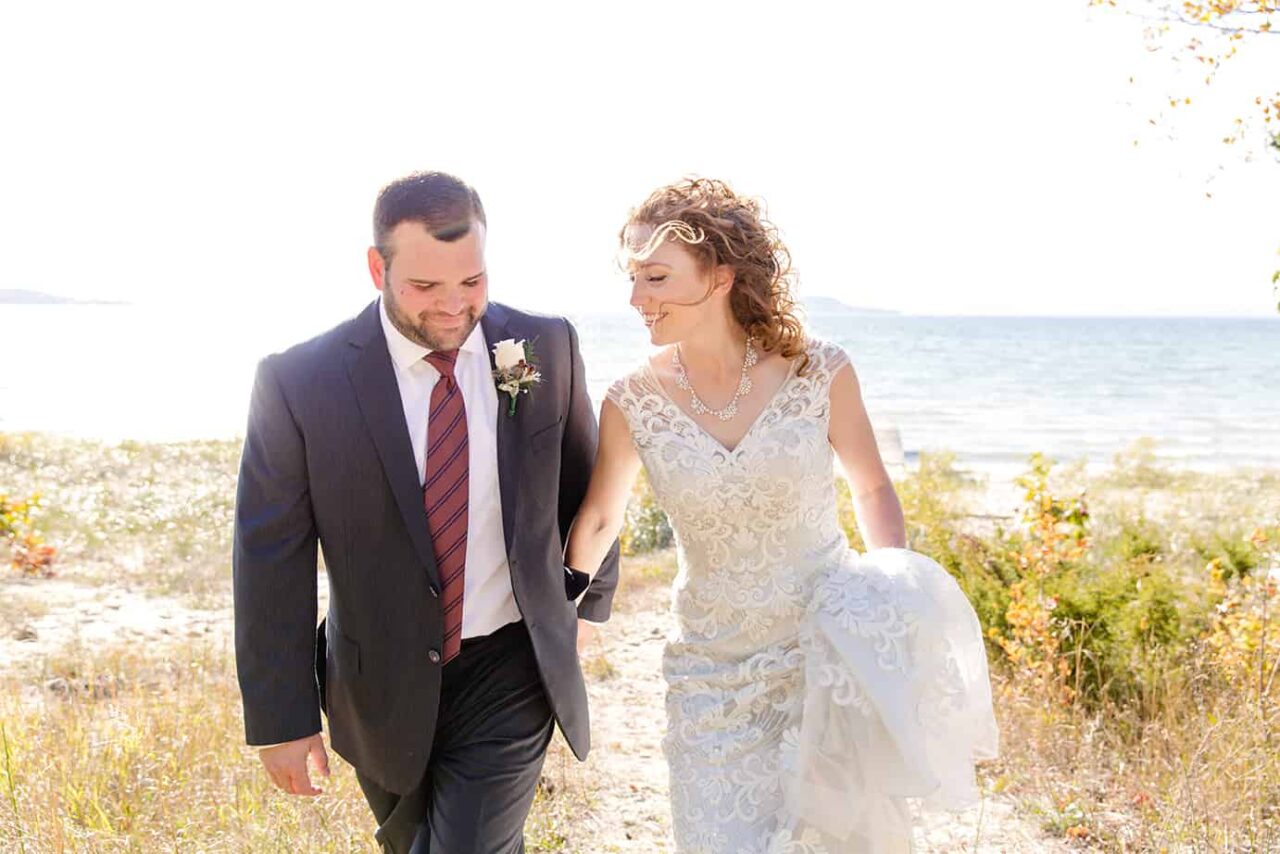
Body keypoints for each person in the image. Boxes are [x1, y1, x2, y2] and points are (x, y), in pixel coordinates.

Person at [564, 177, 998, 852]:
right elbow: (597, 520)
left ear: (719, 276)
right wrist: (562, 620)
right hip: (708, 674)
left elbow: (873, 489)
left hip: (821, 658)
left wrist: (892, 600)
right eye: (633, 278)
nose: (636, 299)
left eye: (655, 277)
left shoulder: (819, 370)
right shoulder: (632, 399)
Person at [232, 171, 618, 854]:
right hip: (375, 681)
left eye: (471, 282)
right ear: (377, 267)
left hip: (512, 666)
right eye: (425, 286)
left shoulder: (540, 348)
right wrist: (280, 717)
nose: (453, 306)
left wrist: (584, 611)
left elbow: (587, 486)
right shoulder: (299, 382)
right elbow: (270, 557)